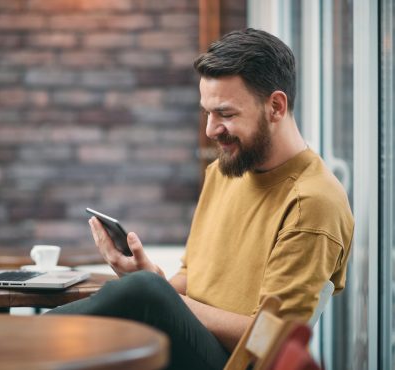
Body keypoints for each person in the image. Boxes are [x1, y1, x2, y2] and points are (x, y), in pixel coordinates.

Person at [48, 28, 354, 370]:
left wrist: (161, 295)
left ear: (276, 107)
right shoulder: (226, 171)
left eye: (225, 114)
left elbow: (271, 337)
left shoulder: (312, 203)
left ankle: (8, 343)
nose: (210, 129)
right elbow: (194, 276)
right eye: (207, 112)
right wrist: (152, 278)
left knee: (144, 293)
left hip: (234, 363)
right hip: (189, 345)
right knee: (138, 295)